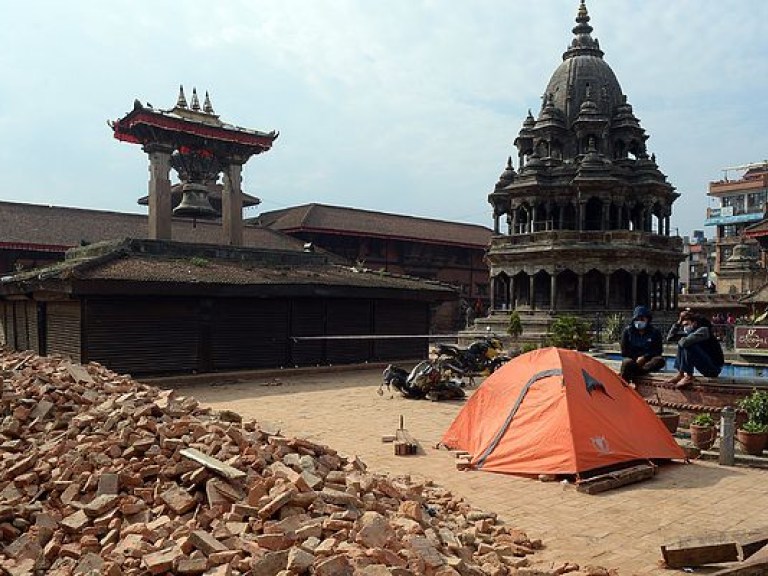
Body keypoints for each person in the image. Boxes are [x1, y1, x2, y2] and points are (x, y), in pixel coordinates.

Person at [666, 310, 724, 389]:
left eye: (686, 324)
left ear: (694, 323)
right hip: (705, 365)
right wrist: (678, 322)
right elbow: (670, 338)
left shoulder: (703, 330)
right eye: (683, 325)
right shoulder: (691, 333)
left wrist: (682, 340)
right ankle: (681, 374)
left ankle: (689, 376)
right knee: (683, 342)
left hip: (713, 369)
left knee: (686, 344)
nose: (684, 328)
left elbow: (684, 343)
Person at [619, 305, 665, 381]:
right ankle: (624, 384)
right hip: (633, 360)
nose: (639, 321)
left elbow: (658, 350)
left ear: (647, 319)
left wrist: (645, 357)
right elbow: (624, 351)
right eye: (637, 319)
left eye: (642, 319)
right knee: (626, 362)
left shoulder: (655, 332)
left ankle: (639, 372)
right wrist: (636, 358)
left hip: (648, 361)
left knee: (659, 360)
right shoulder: (627, 331)